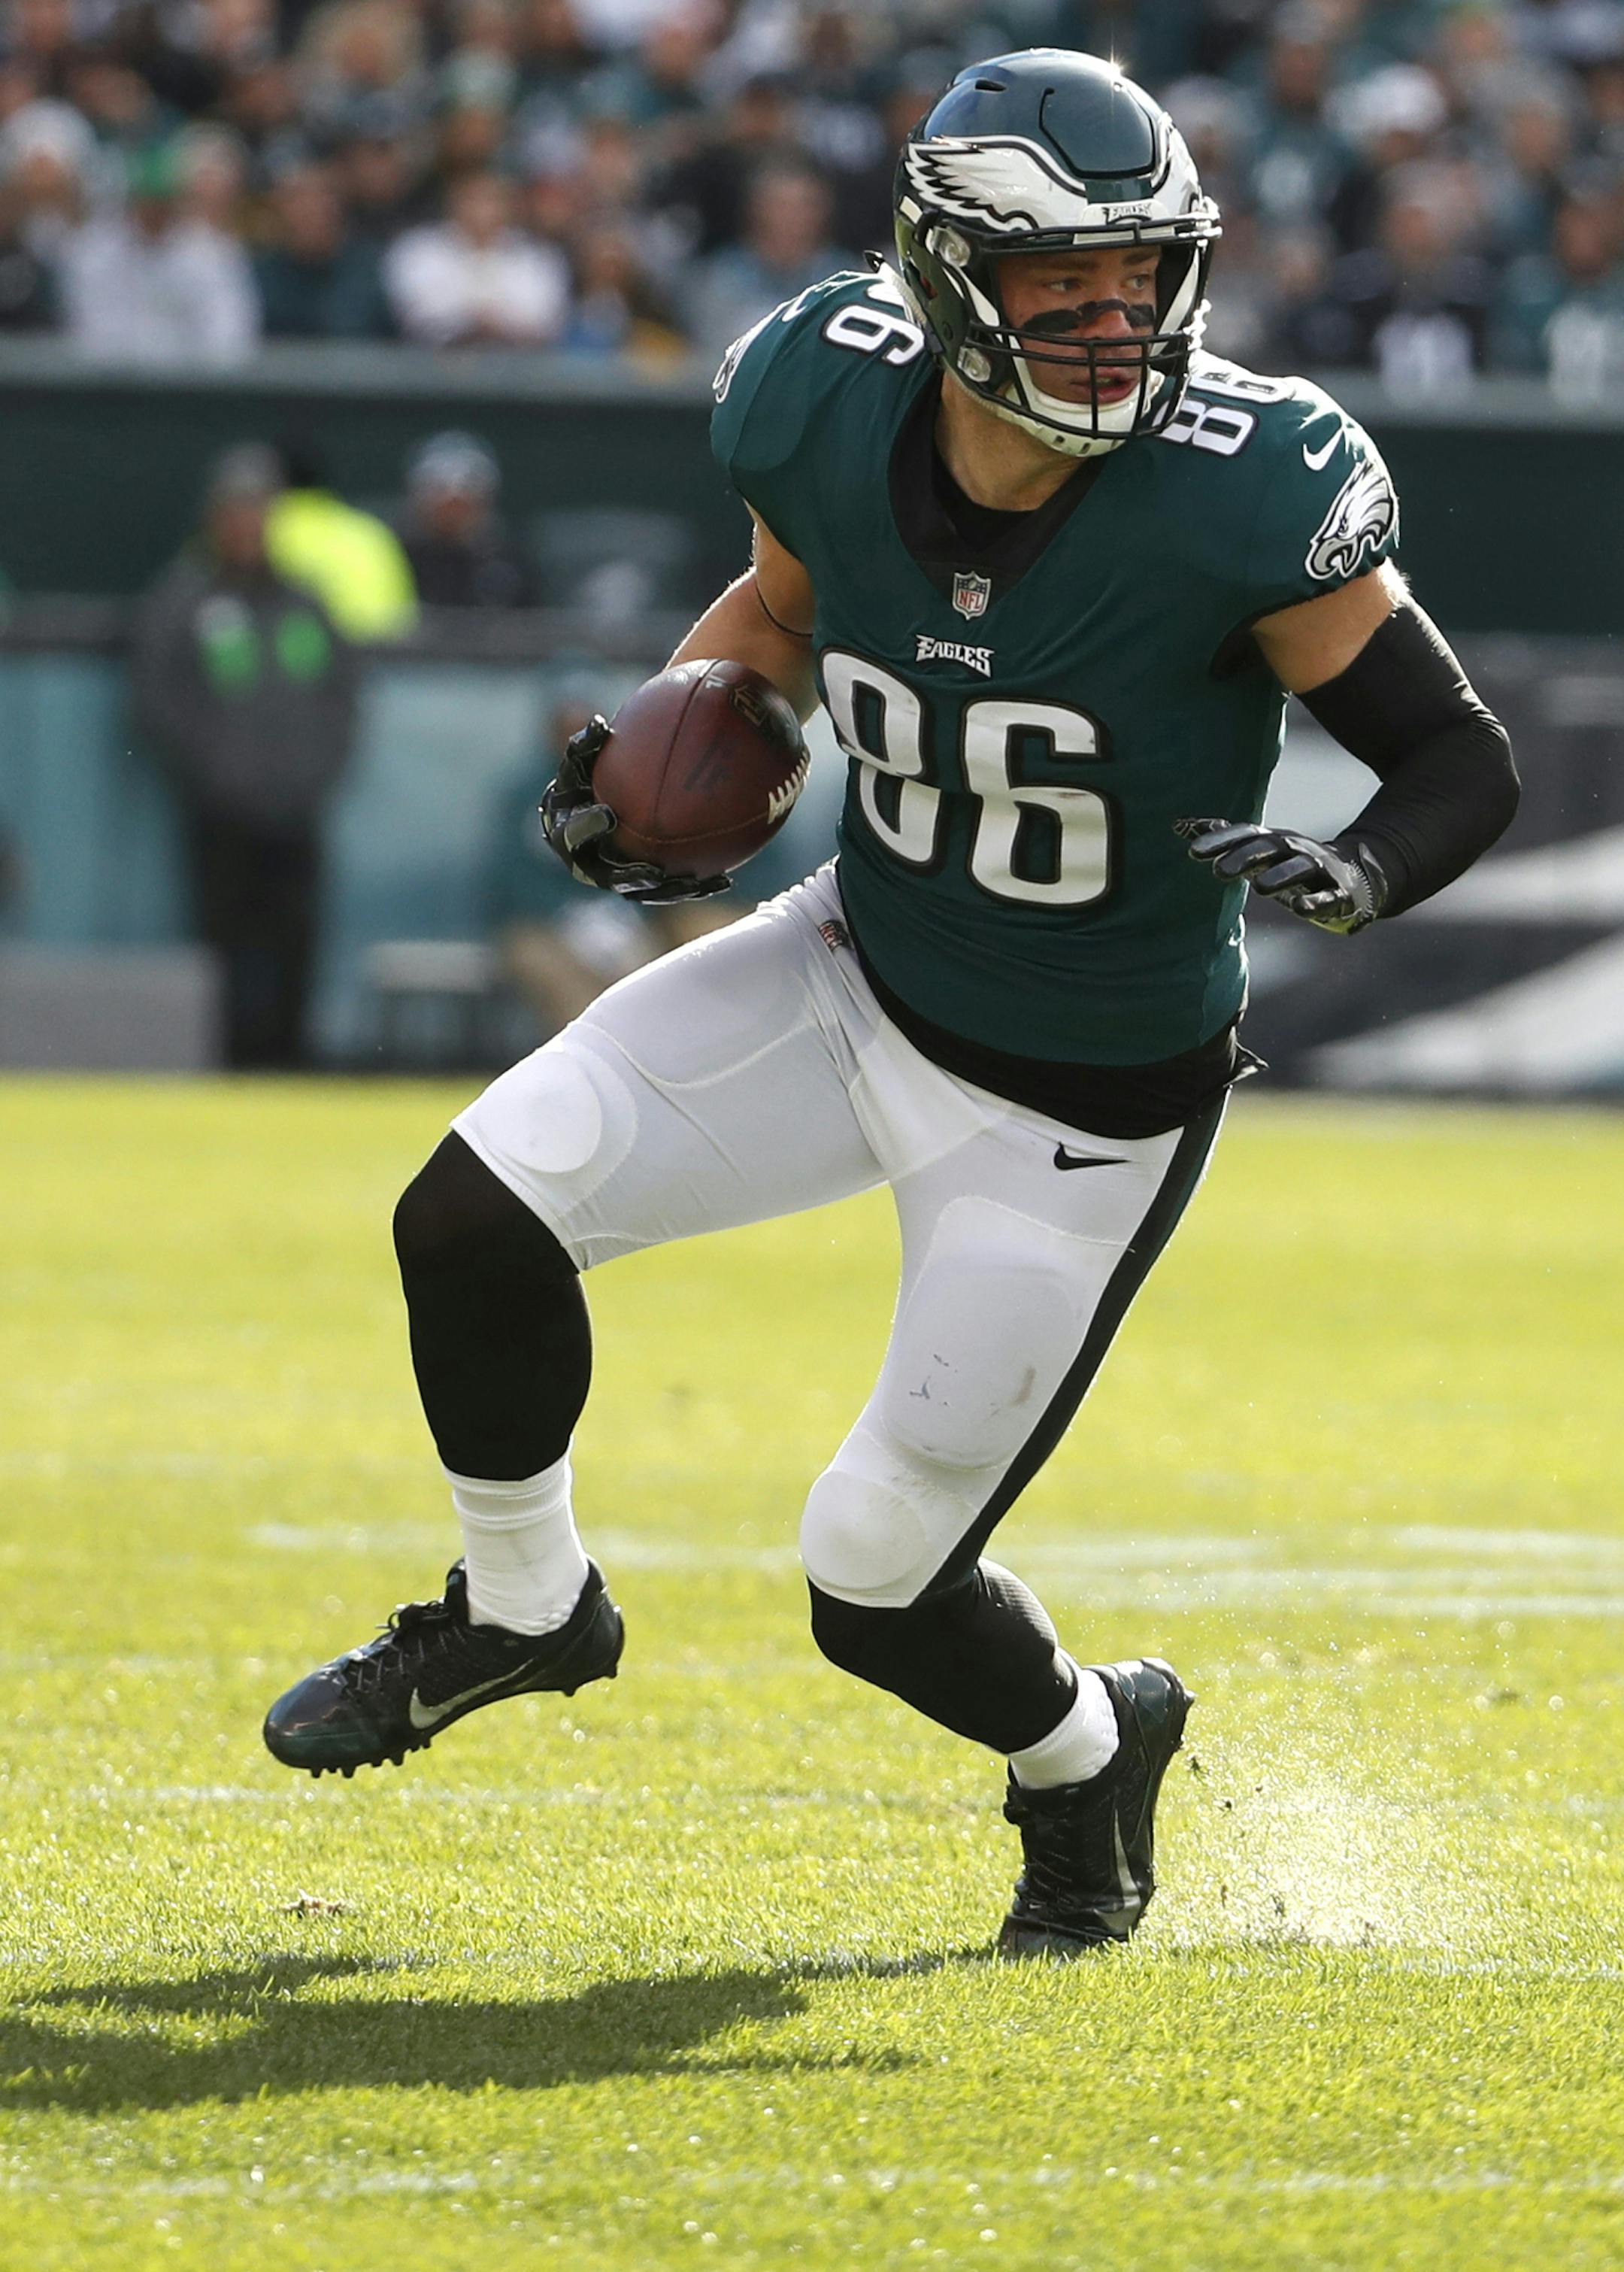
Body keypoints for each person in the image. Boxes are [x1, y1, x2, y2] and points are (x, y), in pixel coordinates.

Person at [263, 51, 1518, 1958]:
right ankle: (521, 1606)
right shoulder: (817, 391)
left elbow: (1450, 754)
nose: (1114, 327)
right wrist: (664, 767)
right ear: (946, 282)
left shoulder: (1239, 485)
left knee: (870, 1581)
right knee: (470, 1213)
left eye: (1140, 280)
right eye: (1060, 285)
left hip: (1078, 1099)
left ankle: (1088, 1749)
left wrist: (1363, 869)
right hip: (862, 959)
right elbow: (774, 611)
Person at [131, 445, 360, 1069]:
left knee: (299, 939)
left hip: (297, 806)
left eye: (258, 509)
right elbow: (156, 702)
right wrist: (211, 775)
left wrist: (318, 772)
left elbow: (342, 695)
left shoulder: (304, 602)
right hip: (220, 810)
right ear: (214, 517)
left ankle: (291, 1058)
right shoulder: (184, 601)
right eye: (235, 509)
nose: (246, 523)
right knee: (221, 941)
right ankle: (223, 1058)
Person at [395, 429, 539, 609]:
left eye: (464, 501)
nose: (452, 513)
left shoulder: (510, 566)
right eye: (438, 493)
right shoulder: (396, 560)